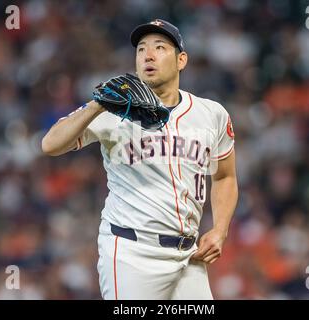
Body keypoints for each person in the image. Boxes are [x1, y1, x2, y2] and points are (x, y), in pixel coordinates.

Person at [41, 19, 239, 300]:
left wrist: (220, 230)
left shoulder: (212, 114)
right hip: (132, 253)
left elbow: (225, 176)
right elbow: (50, 144)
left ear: (181, 60)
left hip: (188, 256)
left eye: (160, 47)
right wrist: (97, 105)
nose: (148, 55)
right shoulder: (114, 110)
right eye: (141, 49)